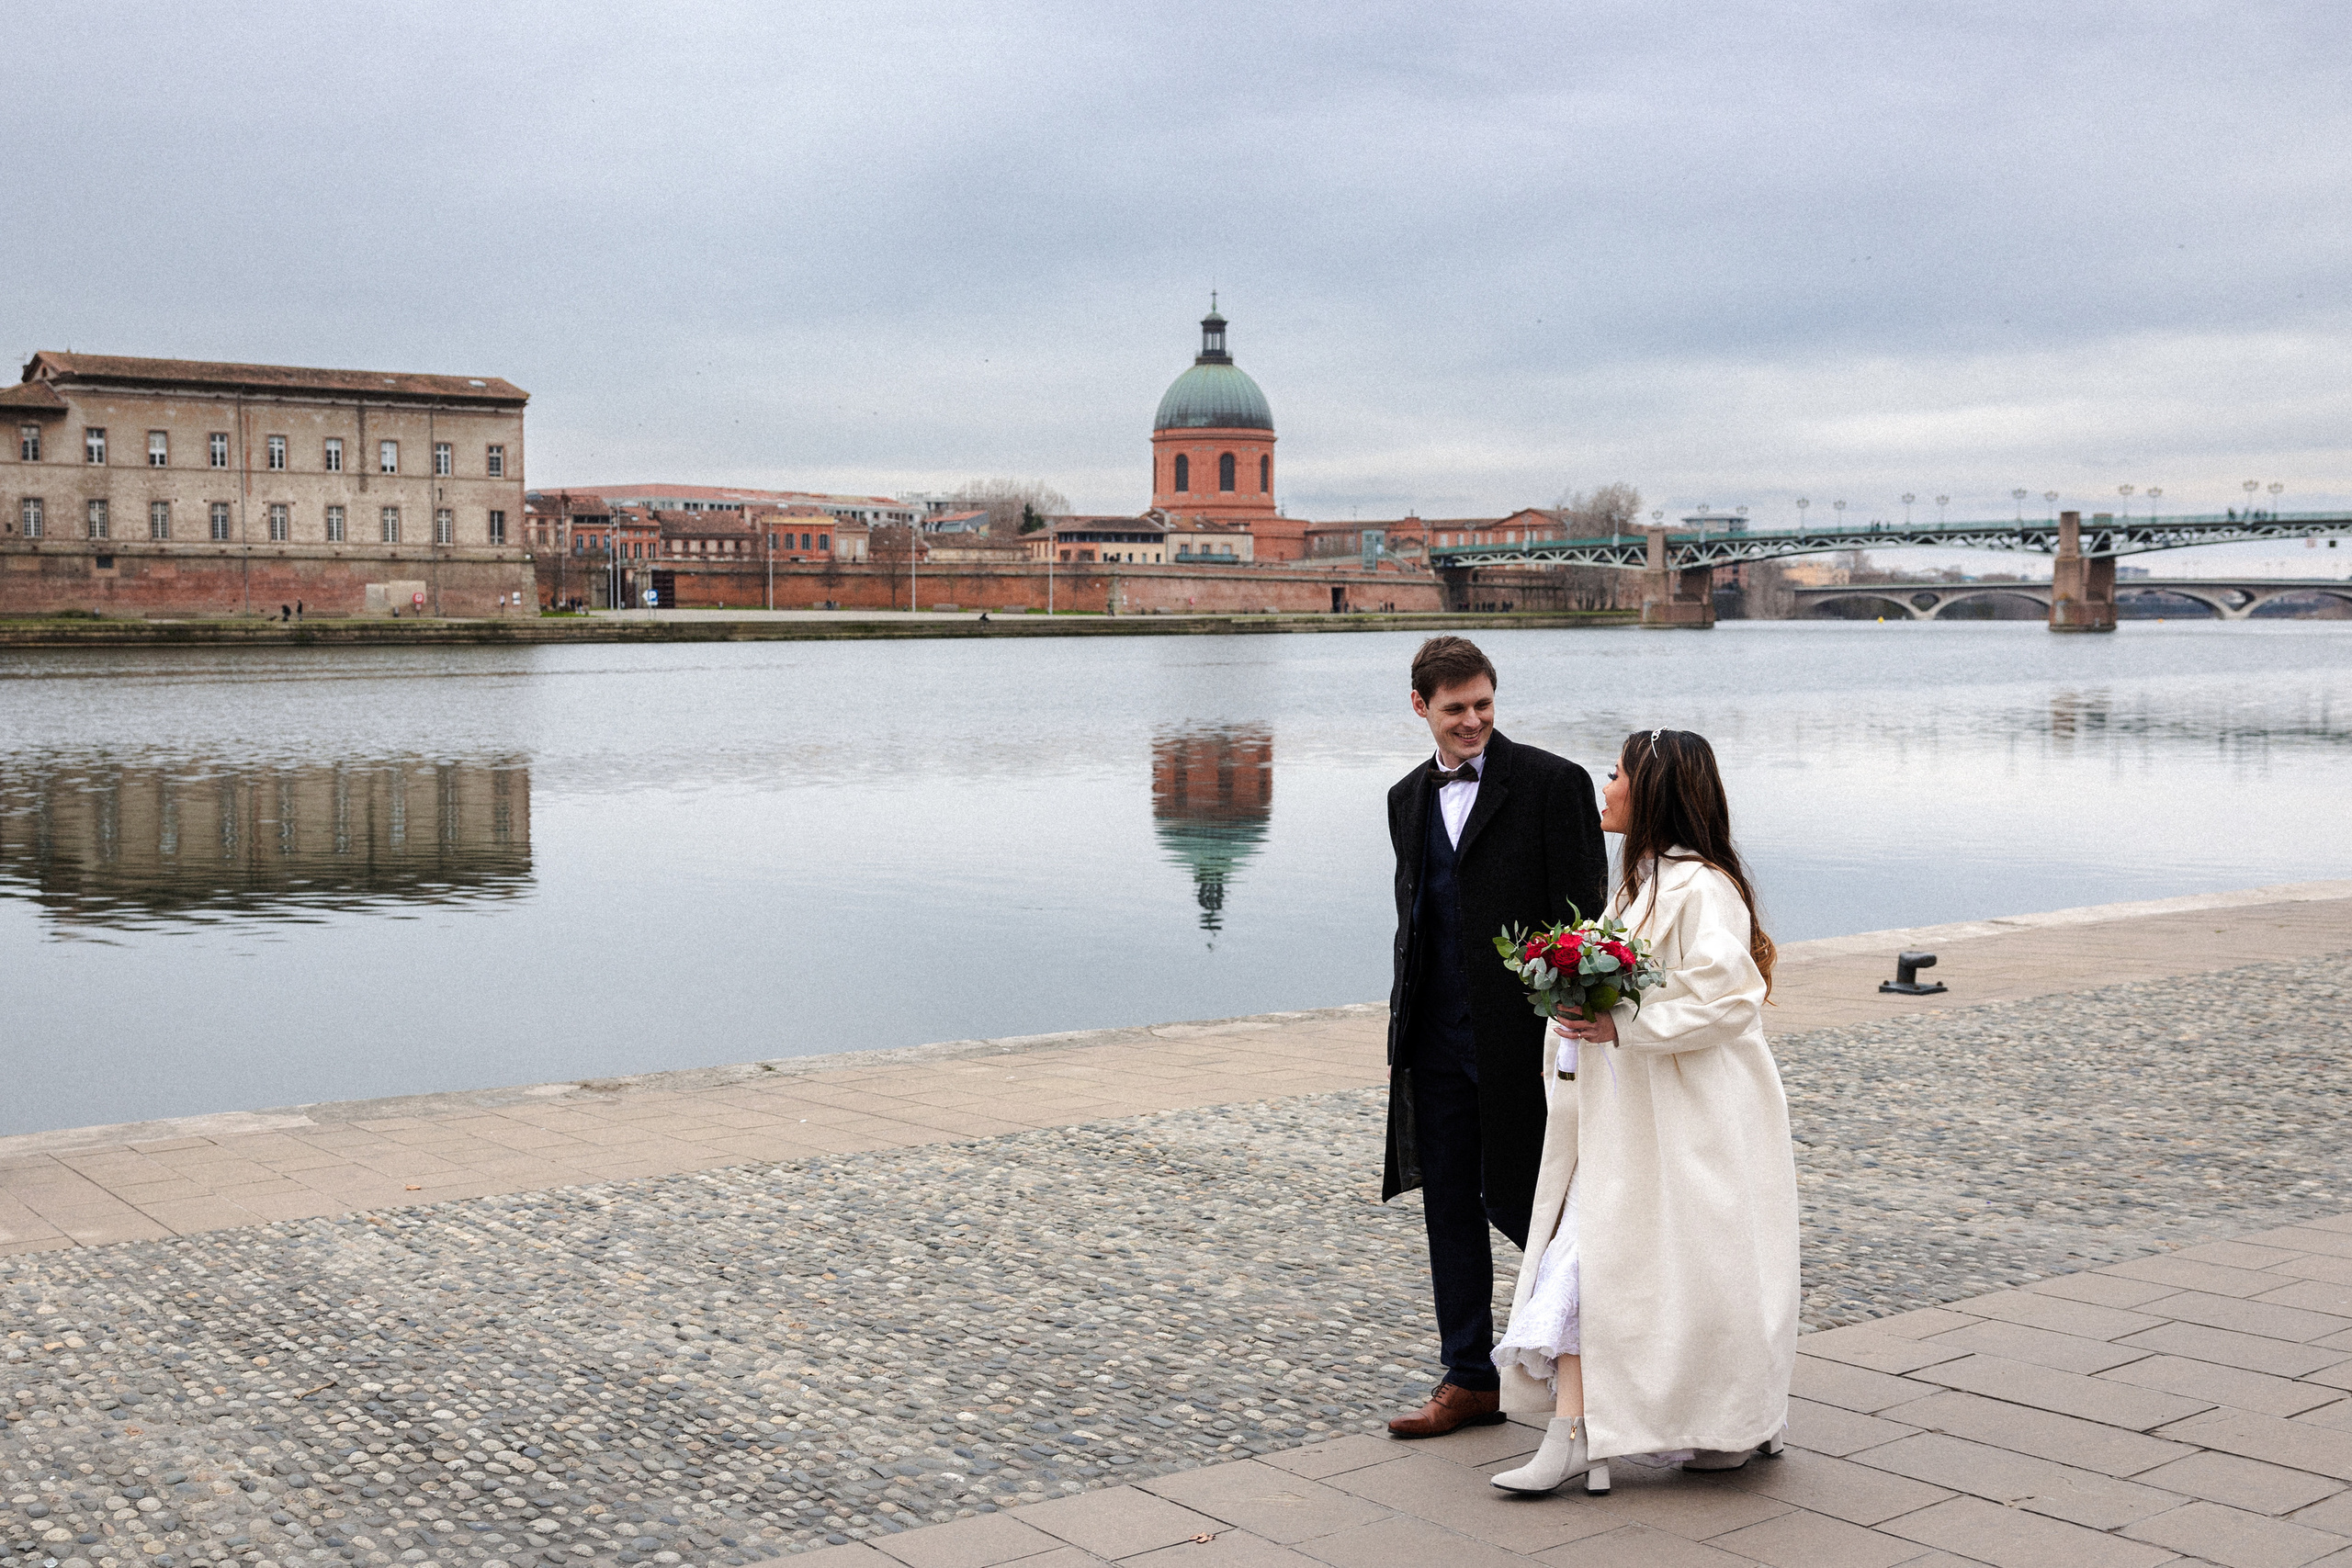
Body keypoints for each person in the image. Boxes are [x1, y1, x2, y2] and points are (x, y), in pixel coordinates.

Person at [1487, 728, 1799, 1495]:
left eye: (1619, 771)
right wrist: (1573, 1010)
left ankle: (1705, 1420)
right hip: (1635, 1115)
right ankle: (1582, 1431)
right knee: (1608, 1260)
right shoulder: (1640, 885)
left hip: (1695, 1118)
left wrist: (1623, 1024)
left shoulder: (1701, 888)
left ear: (1652, 789)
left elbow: (1730, 1000)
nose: (1608, 781)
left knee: (1689, 1269)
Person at [1384, 636, 1607, 1438]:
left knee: (1531, 1203)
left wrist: (1580, 1024)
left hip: (1529, 1042)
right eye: (1455, 709)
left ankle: (1612, 1357)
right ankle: (1469, 1375)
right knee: (1448, 1203)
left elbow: (1585, 920)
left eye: (1483, 703)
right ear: (1421, 708)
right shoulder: (1405, 798)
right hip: (1434, 1040)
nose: (1473, 720)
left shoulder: (1553, 784)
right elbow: (1418, 918)